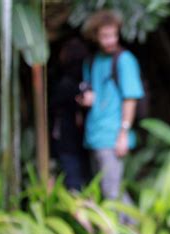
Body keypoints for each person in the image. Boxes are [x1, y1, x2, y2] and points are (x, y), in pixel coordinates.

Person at [78, 10, 144, 220]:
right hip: (94, 135)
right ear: (95, 35)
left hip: (112, 137)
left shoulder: (124, 60)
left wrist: (123, 133)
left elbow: (130, 98)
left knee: (111, 192)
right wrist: (86, 99)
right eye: (104, 36)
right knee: (109, 190)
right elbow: (91, 92)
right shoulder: (91, 61)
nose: (110, 41)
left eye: (113, 35)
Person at [50, 38, 90, 191]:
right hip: (77, 139)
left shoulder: (67, 84)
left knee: (74, 178)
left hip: (69, 139)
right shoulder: (80, 83)